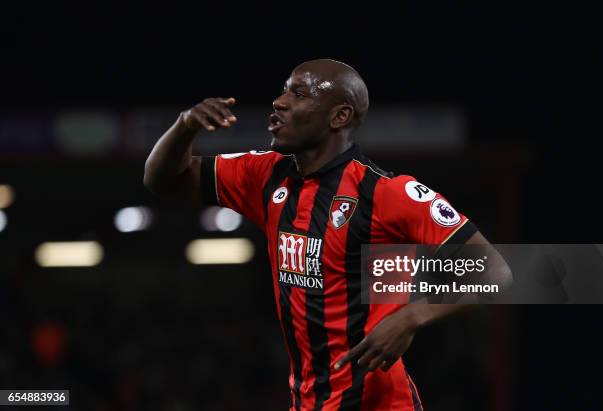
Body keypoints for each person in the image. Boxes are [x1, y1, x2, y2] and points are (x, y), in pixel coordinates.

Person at [144, 59, 511, 410]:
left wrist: (412, 316)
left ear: (340, 116)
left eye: (299, 94)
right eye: (284, 91)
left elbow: (495, 270)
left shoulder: (384, 193)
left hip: (380, 404)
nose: (279, 102)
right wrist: (185, 126)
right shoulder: (265, 175)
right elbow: (163, 181)